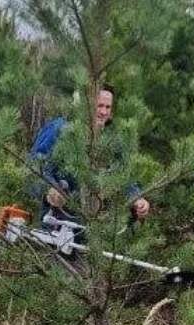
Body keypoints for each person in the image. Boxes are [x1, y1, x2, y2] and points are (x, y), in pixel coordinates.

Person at [28, 86, 150, 233]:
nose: (104, 112)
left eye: (108, 107)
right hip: (57, 224)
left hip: (97, 229)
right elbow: (35, 166)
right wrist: (48, 190)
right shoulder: (60, 129)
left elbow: (122, 176)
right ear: (84, 105)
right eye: (99, 106)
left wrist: (136, 199)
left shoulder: (112, 140)